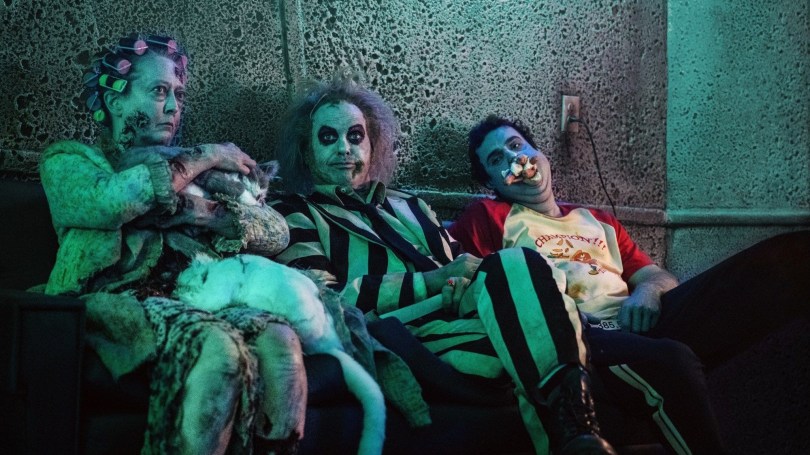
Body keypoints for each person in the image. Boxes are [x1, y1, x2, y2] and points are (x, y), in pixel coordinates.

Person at [270, 74, 617, 455]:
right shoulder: (296, 213)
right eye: (327, 137)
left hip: (467, 311)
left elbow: (461, 265)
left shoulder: (411, 205)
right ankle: (576, 433)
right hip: (403, 329)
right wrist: (433, 282)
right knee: (543, 338)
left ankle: (578, 431)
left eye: (355, 136)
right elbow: (323, 302)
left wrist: (459, 281)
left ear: (372, 144)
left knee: (520, 262)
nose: (344, 148)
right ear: (306, 150)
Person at [451, 114, 810, 453]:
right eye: (497, 159)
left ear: (539, 153)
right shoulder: (490, 216)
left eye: (517, 146)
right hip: (583, 334)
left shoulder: (597, 219)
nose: (514, 159)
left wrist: (647, 292)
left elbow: (656, 275)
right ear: (492, 183)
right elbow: (475, 280)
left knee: (774, 262)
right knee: (674, 360)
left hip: (637, 318)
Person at [40, 33, 306, 454]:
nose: (172, 108)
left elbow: (278, 232)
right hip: (118, 299)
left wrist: (203, 212)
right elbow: (112, 202)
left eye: (178, 95)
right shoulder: (70, 160)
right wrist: (207, 154)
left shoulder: (201, 174)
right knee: (219, 352)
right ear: (115, 102)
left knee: (281, 343)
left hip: (198, 293)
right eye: (159, 92)